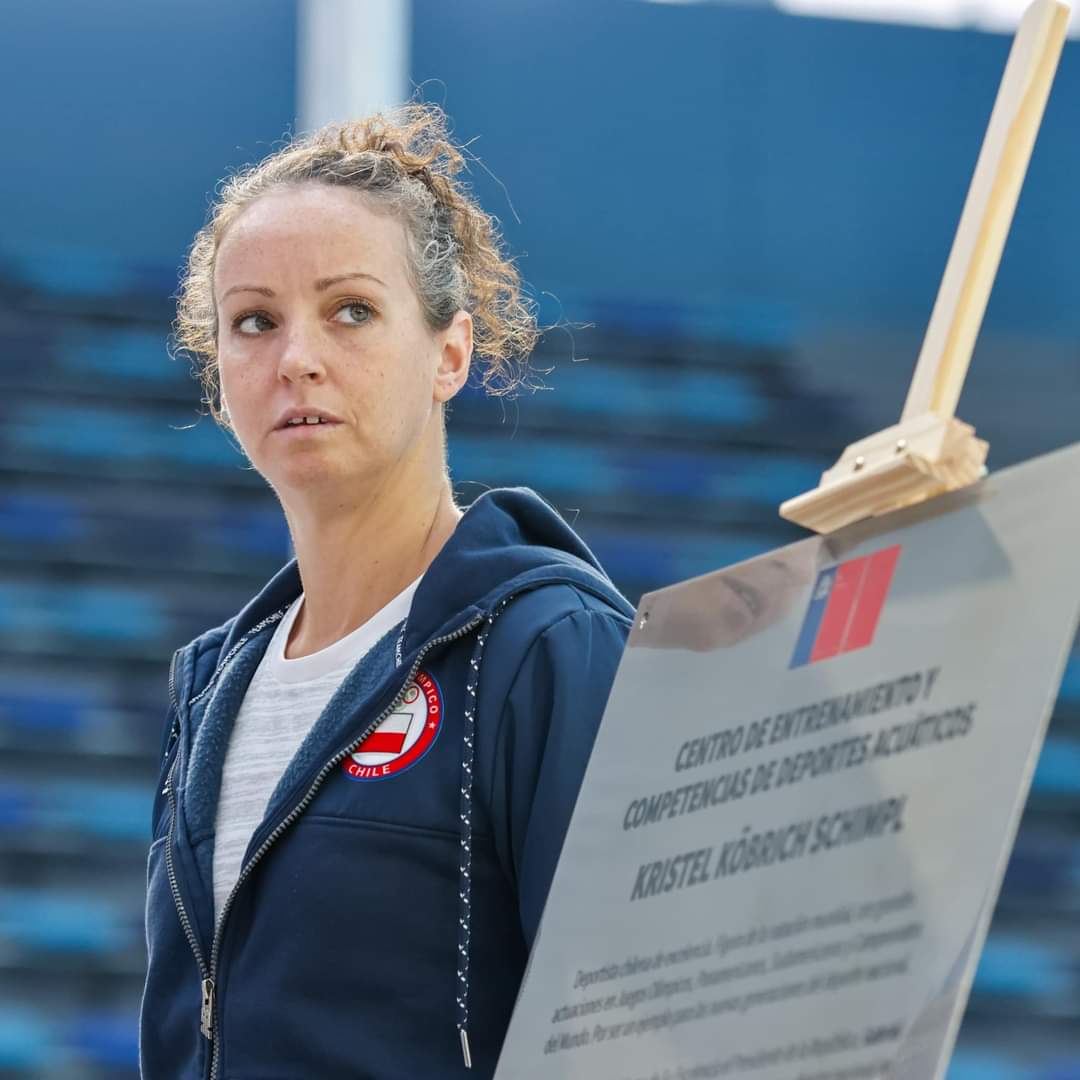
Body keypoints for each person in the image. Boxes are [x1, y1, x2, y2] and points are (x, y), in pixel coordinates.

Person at [139, 104, 633, 1079]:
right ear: (219, 376)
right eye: (254, 322)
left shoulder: (550, 647)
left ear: (450, 353)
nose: (297, 358)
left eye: (351, 311)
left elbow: (633, 1041)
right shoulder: (210, 690)